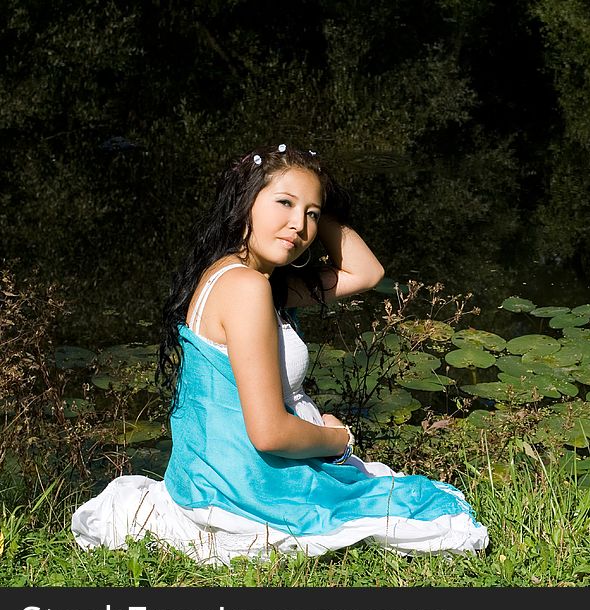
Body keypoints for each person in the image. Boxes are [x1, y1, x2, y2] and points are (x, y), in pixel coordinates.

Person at [71, 144, 489, 564]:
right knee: (433, 513)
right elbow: (269, 433)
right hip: (245, 489)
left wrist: (313, 196)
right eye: (284, 203)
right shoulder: (247, 288)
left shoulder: (245, 278)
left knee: (398, 496)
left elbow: (366, 273)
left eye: (311, 214)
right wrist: (338, 440)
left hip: (217, 476)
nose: (299, 225)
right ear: (246, 201)